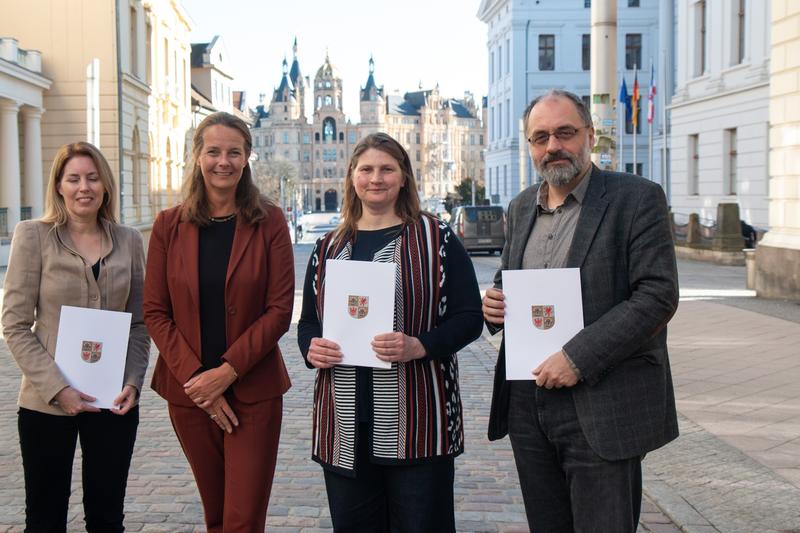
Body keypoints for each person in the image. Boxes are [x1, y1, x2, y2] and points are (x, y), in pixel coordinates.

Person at [482, 90, 679, 533]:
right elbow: (512, 283)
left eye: (565, 133)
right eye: (540, 137)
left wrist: (578, 358)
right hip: (528, 402)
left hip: (601, 401)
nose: (553, 146)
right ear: (530, 146)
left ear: (590, 135)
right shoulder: (520, 207)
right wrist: (495, 306)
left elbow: (657, 295)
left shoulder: (637, 198)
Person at [297, 132, 483, 532]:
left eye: (386, 169)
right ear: (352, 177)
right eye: (366, 169)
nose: (375, 178)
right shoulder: (328, 246)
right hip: (344, 426)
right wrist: (312, 348)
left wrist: (421, 345)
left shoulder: (438, 240)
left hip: (419, 421)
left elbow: (470, 317)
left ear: (403, 178)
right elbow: (309, 321)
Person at [143, 112, 294, 532]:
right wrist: (200, 381)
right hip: (189, 395)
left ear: (247, 159)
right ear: (197, 156)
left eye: (234, 152)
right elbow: (155, 311)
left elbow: (280, 309)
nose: (222, 161)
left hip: (254, 391)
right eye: (213, 151)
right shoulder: (167, 226)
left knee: (242, 519)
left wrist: (225, 373)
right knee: (216, 514)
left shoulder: (270, 222)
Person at [2, 141, 150, 531]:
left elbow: (139, 322)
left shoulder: (130, 240)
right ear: (59, 187)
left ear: (105, 186)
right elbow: (15, 325)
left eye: (92, 177)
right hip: (46, 404)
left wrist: (134, 382)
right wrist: (59, 389)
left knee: (106, 519)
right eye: (74, 179)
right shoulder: (33, 236)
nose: (83, 187)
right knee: (45, 519)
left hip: (113, 402)